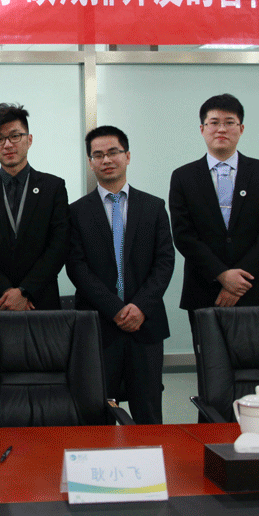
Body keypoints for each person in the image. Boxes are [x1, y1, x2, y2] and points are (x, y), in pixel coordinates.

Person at [66, 126, 174, 424]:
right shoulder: (76, 212)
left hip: (146, 325)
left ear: (127, 156)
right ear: (91, 162)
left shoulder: (154, 207)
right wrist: (115, 309)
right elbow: (76, 267)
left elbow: (164, 262)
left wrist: (140, 307)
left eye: (113, 152)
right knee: (97, 414)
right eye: (98, 155)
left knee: (148, 414)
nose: (106, 160)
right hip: (99, 327)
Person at [169, 93, 259, 350]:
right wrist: (221, 275)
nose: (221, 129)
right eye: (214, 122)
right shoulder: (183, 177)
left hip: (256, 289)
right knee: (211, 363)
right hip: (205, 288)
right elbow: (184, 235)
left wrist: (237, 283)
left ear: (241, 129)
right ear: (202, 129)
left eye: (229, 122)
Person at [0, 103, 68, 311]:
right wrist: (5, 291)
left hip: (41, 302)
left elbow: (59, 246)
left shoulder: (53, 187)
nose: (7, 145)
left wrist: (26, 290)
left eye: (15, 136)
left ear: (29, 140)